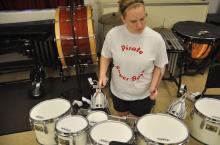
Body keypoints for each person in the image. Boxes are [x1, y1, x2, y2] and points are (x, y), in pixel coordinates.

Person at [98, 0, 168, 117]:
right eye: (133, 21)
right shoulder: (113, 34)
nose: (139, 25)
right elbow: (105, 55)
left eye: (142, 19)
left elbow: (159, 65)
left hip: (143, 94)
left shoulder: (156, 39)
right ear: (123, 19)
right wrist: (102, 74)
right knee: (122, 118)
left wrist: (154, 86)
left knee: (137, 122)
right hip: (118, 91)